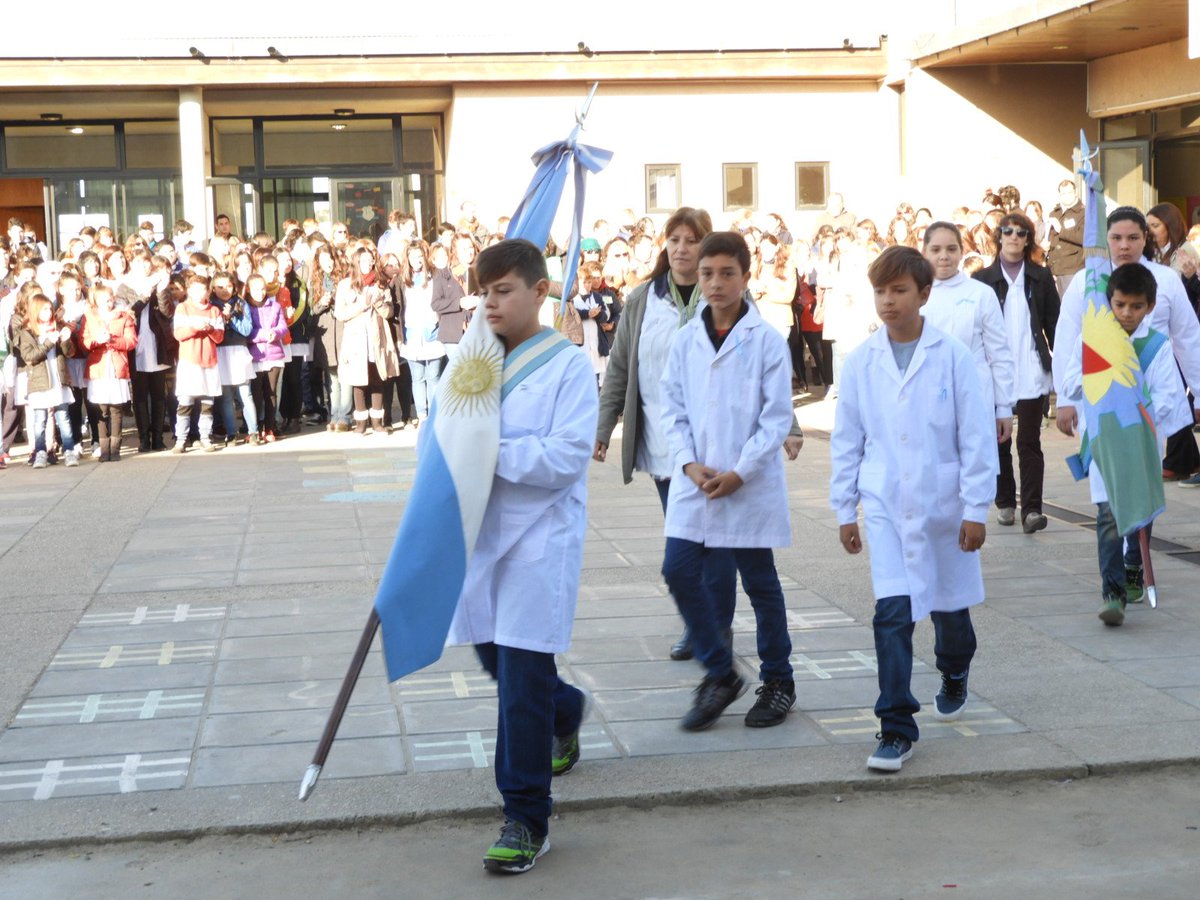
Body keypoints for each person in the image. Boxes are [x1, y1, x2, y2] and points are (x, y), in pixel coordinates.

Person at [444, 239, 596, 875]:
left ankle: (526, 815)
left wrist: (490, 451)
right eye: (484, 291)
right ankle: (567, 709)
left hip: (538, 539)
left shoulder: (566, 365)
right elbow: (443, 430)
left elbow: (565, 456)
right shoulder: (471, 357)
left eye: (503, 290)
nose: (490, 302)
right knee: (495, 659)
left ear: (540, 292)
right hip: (480, 540)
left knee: (520, 682)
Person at [830, 246, 996, 772]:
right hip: (884, 503)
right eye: (881, 290)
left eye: (899, 290)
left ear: (924, 295)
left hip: (944, 503)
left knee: (949, 610)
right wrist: (843, 507)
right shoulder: (861, 361)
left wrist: (976, 508)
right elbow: (847, 438)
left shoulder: (952, 357)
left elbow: (975, 437)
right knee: (892, 614)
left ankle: (954, 667)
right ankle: (896, 726)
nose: (887, 301)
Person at [661, 231, 797, 732]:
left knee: (760, 584)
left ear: (745, 275)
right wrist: (688, 462)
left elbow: (776, 416)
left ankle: (778, 681)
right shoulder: (685, 340)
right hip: (695, 482)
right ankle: (721, 671)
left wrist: (742, 472)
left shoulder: (765, 340)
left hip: (748, 483)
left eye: (727, 273)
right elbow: (671, 409)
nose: (716, 284)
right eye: (707, 274)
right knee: (678, 570)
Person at [1059, 264, 1188, 625]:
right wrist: (1103, 379)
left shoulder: (1157, 346)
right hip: (1104, 440)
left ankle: (1134, 568)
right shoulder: (1094, 339)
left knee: (1140, 512)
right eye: (1120, 305)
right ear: (1109, 302)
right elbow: (1071, 382)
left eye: (1136, 306)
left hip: (1142, 441)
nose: (1127, 313)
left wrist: (1137, 403)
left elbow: (1167, 398)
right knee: (1109, 515)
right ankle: (1112, 592)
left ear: (1150, 305)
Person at [1054, 207, 1200, 482]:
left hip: (1149, 395)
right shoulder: (1085, 282)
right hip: (1100, 396)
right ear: (1105, 240)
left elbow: (1189, 339)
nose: (1124, 245)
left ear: (1145, 238)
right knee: (1104, 484)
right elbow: (1066, 340)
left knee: (1143, 482)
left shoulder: (1166, 279)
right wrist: (1065, 399)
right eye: (1116, 237)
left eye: (1133, 237)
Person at [972, 212, 1060, 533]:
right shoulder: (981, 280)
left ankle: (1032, 510)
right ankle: (1006, 500)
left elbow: (1056, 325)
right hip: (994, 373)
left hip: (1032, 370)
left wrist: (1061, 370)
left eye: (1021, 233)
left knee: (1029, 440)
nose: (1014, 237)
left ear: (1028, 239)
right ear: (999, 236)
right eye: (1007, 231)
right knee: (998, 440)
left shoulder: (1040, 277)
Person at [921, 222, 1015, 450]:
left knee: (974, 468)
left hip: (973, 395)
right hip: (925, 395)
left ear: (962, 251)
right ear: (924, 252)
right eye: (936, 249)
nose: (944, 256)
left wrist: (1003, 407)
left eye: (951, 249)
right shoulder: (915, 294)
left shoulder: (980, 294)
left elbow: (999, 353)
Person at [335, 245, 400, 435]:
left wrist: (379, 302)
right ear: (356, 262)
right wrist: (361, 306)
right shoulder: (345, 284)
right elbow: (340, 313)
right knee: (359, 381)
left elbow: (389, 312)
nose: (369, 263)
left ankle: (377, 421)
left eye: (371, 260)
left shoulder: (380, 283)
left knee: (377, 377)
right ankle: (361, 423)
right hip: (355, 340)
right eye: (364, 260)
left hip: (377, 337)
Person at [17, 293, 80, 468]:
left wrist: (66, 340)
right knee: (40, 421)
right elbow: (29, 357)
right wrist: (48, 343)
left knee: (63, 418)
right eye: (44, 309)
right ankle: (40, 453)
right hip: (39, 383)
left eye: (49, 309)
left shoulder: (57, 327)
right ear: (35, 311)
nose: (48, 312)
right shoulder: (28, 333)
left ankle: (69, 451)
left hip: (58, 380)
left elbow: (69, 353)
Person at [80, 283, 137, 461]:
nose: (108, 303)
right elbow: (85, 342)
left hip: (117, 366)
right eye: (104, 300)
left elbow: (131, 341)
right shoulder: (89, 317)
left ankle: (115, 449)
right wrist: (97, 341)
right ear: (95, 301)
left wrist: (113, 341)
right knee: (101, 409)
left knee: (116, 409)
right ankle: (104, 449)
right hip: (99, 368)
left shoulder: (123, 317)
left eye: (110, 299)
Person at [172, 272, 225, 453]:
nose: (200, 293)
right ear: (189, 290)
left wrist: (209, 329)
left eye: (203, 289)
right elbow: (179, 334)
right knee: (185, 402)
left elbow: (219, 337)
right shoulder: (182, 308)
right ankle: (181, 439)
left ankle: (205, 437)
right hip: (189, 361)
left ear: (208, 291)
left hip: (209, 361)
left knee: (207, 403)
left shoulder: (214, 311)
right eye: (195, 290)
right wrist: (195, 328)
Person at [1047, 180, 1085, 297]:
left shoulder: (1083, 213)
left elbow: (1084, 238)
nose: (1066, 196)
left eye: (1069, 192)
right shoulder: (1054, 213)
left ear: (1076, 192)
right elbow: (1052, 238)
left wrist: (1061, 229)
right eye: (1063, 194)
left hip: (1072, 269)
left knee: (1070, 306)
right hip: (1054, 268)